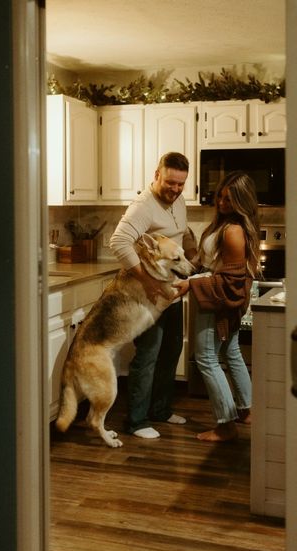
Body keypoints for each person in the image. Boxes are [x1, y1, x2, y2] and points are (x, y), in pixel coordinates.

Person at [109, 152, 197, 439]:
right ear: (156, 174)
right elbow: (119, 241)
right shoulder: (143, 206)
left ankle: (160, 410)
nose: (175, 189)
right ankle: (135, 421)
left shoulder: (177, 200)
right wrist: (147, 281)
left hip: (168, 290)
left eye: (180, 184)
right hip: (147, 294)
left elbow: (178, 233)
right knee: (148, 353)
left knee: (172, 348)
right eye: (170, 182)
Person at [177, 171, 260, 442]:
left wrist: (192, 285)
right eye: (221, 197)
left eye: (229, 199)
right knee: (231, 351)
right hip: (216, 298)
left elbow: (231, 280)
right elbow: (210, 263)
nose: (222, 203)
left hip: (215, 302)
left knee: (207, 358)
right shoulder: (223, 226)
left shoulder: (233, 231)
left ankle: (226, 425)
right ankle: (247, 411)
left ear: (242, 201)